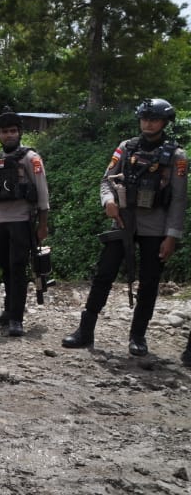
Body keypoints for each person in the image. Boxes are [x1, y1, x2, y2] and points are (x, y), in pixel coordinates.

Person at [62, 98, 187, 356]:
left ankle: (138, 336)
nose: (148, 123)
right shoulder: (126, 147)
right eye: (145, 118)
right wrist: (108, 201)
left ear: (164, 122)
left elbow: (178, 199)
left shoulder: (177, 156)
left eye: (154, 119)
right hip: (122, 221)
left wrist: (172, 235)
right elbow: (106, 180)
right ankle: (85, 330)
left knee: (149, 282)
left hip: (156, 226)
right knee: (104, 274)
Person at [0, 110, 50, 337]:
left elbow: (42, 193)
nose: (9, 135)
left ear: (19, 133)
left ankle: (17, 319)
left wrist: (43, 225)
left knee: (18, 269)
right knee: (5, 266)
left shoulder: (31, 158)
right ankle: (8, 311)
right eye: (4, 132)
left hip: (22, 222)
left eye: (13, 131)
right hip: (1, 222)